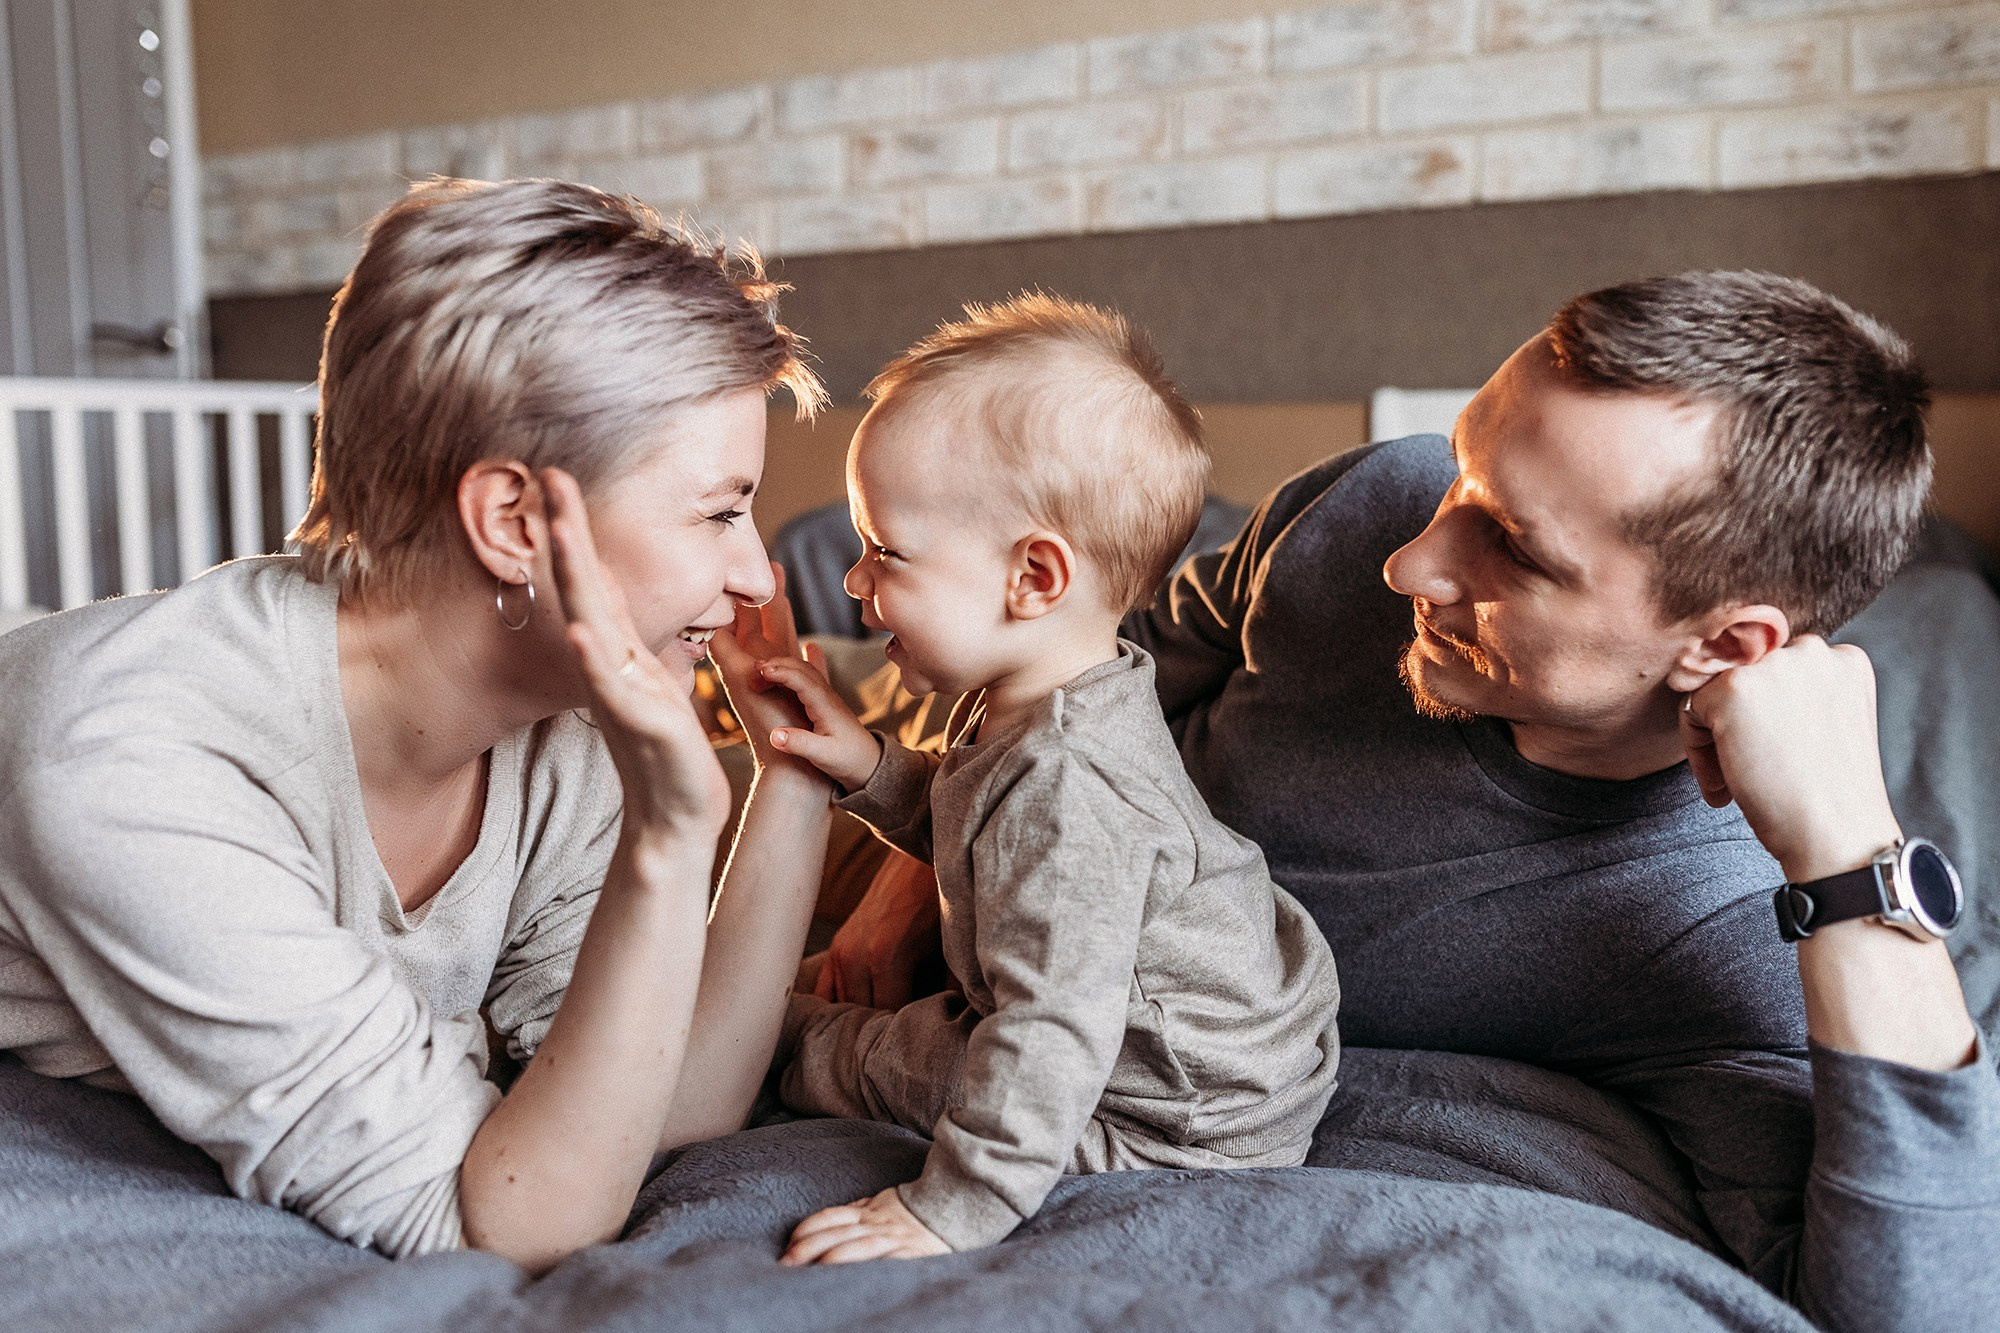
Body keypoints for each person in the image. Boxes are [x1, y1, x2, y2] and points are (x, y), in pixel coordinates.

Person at [815, 272, 2000, 1331]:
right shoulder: (1368, 506)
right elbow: (1075, 666)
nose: (1410, 561)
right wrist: (906, 880)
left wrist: (1852, 851)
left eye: (1512, 547)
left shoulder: (1702, 934)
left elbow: (1915, 1305)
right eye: (1461, 468)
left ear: (1724, 645)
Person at [0, 179, 840, 1271]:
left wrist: (790, 776)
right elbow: (499, 1221)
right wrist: (669, 833)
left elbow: (662, 1107)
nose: (757, 572)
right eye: (720, 511)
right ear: (510, 521)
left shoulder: (563, 731)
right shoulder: (131, 760)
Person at [752, 295, 1343, 1264]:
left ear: (1033, 577)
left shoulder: (1073, 786)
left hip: (1164, 1117)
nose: (855, 584)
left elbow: (1047, 1032)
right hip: (1153, 1049)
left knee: (879, 1051)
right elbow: (975, 818)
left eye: (884, 553)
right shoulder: (1043, 691)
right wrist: (870, 765)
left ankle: (771, 1039)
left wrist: (950, 1208)